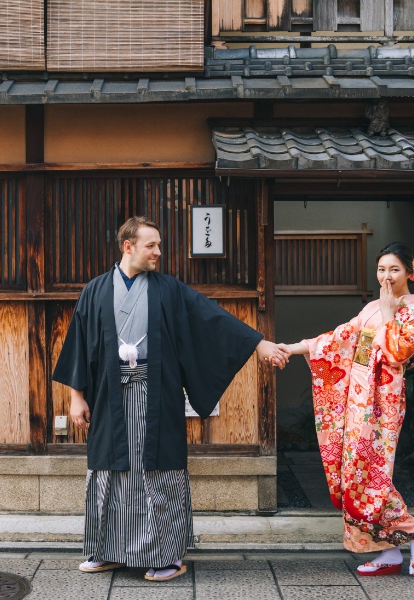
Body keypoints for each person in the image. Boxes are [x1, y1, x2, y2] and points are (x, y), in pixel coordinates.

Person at [52, 216, 287, 582]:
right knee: (108, 471)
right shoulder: (95, 291)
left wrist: (258, 344)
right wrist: (76, 398)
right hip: (109, 395)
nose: (158, 252)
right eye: (151, 245)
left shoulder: (168, 289)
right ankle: (107, 549)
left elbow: (212, 319)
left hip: (156, 393)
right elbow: (79, 348)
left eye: (158, 245)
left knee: (157, 471)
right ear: (128, 246)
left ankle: (165, 556)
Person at [278, 242, 414, 577]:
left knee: (372, 475)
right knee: (352, 472)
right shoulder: (370, 309)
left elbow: (397, 352)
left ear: (410, 273)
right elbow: (338, 339)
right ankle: (387, 551)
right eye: (381, 269)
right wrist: (292, 349)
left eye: (394, 269)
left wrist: (388, 312)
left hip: (382, 402)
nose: (386, 276)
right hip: (356, 397)